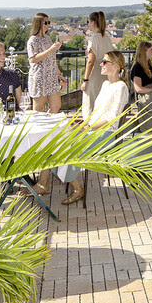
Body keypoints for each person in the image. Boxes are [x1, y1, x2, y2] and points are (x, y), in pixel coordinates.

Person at [62, 50, 131, 205]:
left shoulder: (121, 87)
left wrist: (88, 127)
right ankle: (72, 183)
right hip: (94, 130)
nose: (101, 64)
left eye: (104, 62)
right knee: (59, 140)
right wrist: (82, 125)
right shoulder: (106, 84)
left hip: (106, 135)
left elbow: (113, 118)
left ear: (115, 66)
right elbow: (96, 114)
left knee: (66, 146)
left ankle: (76, 187)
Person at [27, 13, 67, 195]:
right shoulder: (32, 40)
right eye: (46, 22)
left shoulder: (48, 38)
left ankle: (49, 135)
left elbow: (52, 59)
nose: (48, 24)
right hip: (40, 79)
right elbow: (33, 59)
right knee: (37, 112)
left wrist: (59, 74)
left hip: (51, 78)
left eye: (49, 22)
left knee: (56, 106)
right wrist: (51, 49)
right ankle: (37, 142)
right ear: (39, 23)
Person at [79, 11, 115, 116]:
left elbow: (90, 61)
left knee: (90, 105)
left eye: (88, 22)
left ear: (93, 22)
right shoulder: (107, 38)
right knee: (103, 106)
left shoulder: (94, 38)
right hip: (105, 75)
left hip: (95, 75)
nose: (88, 24)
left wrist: (85, 80)